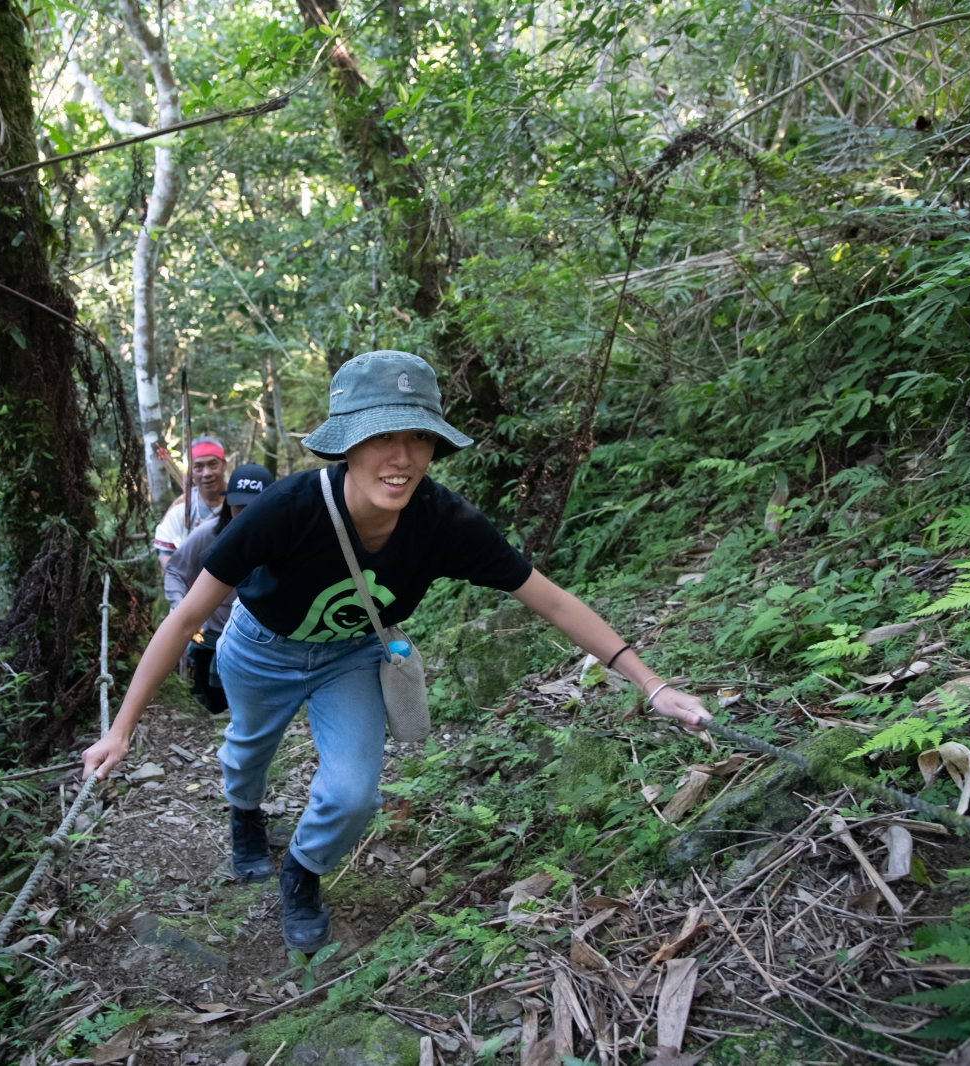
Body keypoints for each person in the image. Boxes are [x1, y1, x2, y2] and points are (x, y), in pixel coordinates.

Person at [86, 351, 711, 954]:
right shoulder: (288, 508)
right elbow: (189, 614)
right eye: (382, 435)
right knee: (249, 751)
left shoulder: (443, 521)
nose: (402, 457)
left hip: (351, 657)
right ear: (346, 443)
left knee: (355, 793)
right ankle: (244, 815)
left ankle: (301, 872)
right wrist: (121, 731)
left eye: (418, 436)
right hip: (260, 648)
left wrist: (652, 686)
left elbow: (550, 601)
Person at [163, 463, 274, 715]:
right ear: (228, 503)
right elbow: (175, 571)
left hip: (261, 642)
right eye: (240, 506)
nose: (247, 513)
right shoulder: (206, 535)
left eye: (255, 505)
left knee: (252, 706)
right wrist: (182, 609)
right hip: (210, 639)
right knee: (214, 705)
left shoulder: (287, 538)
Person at [154, 437, 228, 567]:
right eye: (198, 467)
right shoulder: (181, 506)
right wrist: (180, 580)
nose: (207, 473)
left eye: (213, 464)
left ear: (224, 465)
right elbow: (166, 553)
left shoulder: (241, 501)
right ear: (190, 472)